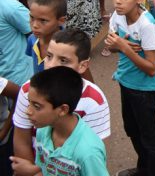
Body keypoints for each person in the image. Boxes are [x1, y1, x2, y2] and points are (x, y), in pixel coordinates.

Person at [12, 29, 111, 167]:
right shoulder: (28, 90)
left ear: (82, 66)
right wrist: (31, 170)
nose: (51, 65)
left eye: (63, 60)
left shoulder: (94, 101)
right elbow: (22, 140)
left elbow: (95, 155)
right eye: (49, 56)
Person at [106, 0, 155, 176]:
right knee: (132, 130)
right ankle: (144, 169)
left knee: (151, 139)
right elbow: (111, 46)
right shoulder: (117, 16)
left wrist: (124, 47)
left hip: (144, 90)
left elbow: (151, 68)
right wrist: (116, 45)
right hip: (125, 82)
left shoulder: (146, 25)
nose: (118, 1)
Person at [9, 67, 108, 176]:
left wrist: (31, 173)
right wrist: (34, 171)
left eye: (37, 106)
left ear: (62, 110)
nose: (28, 111)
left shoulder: (88, 153)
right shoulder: (43, 130)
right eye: (29, 103)